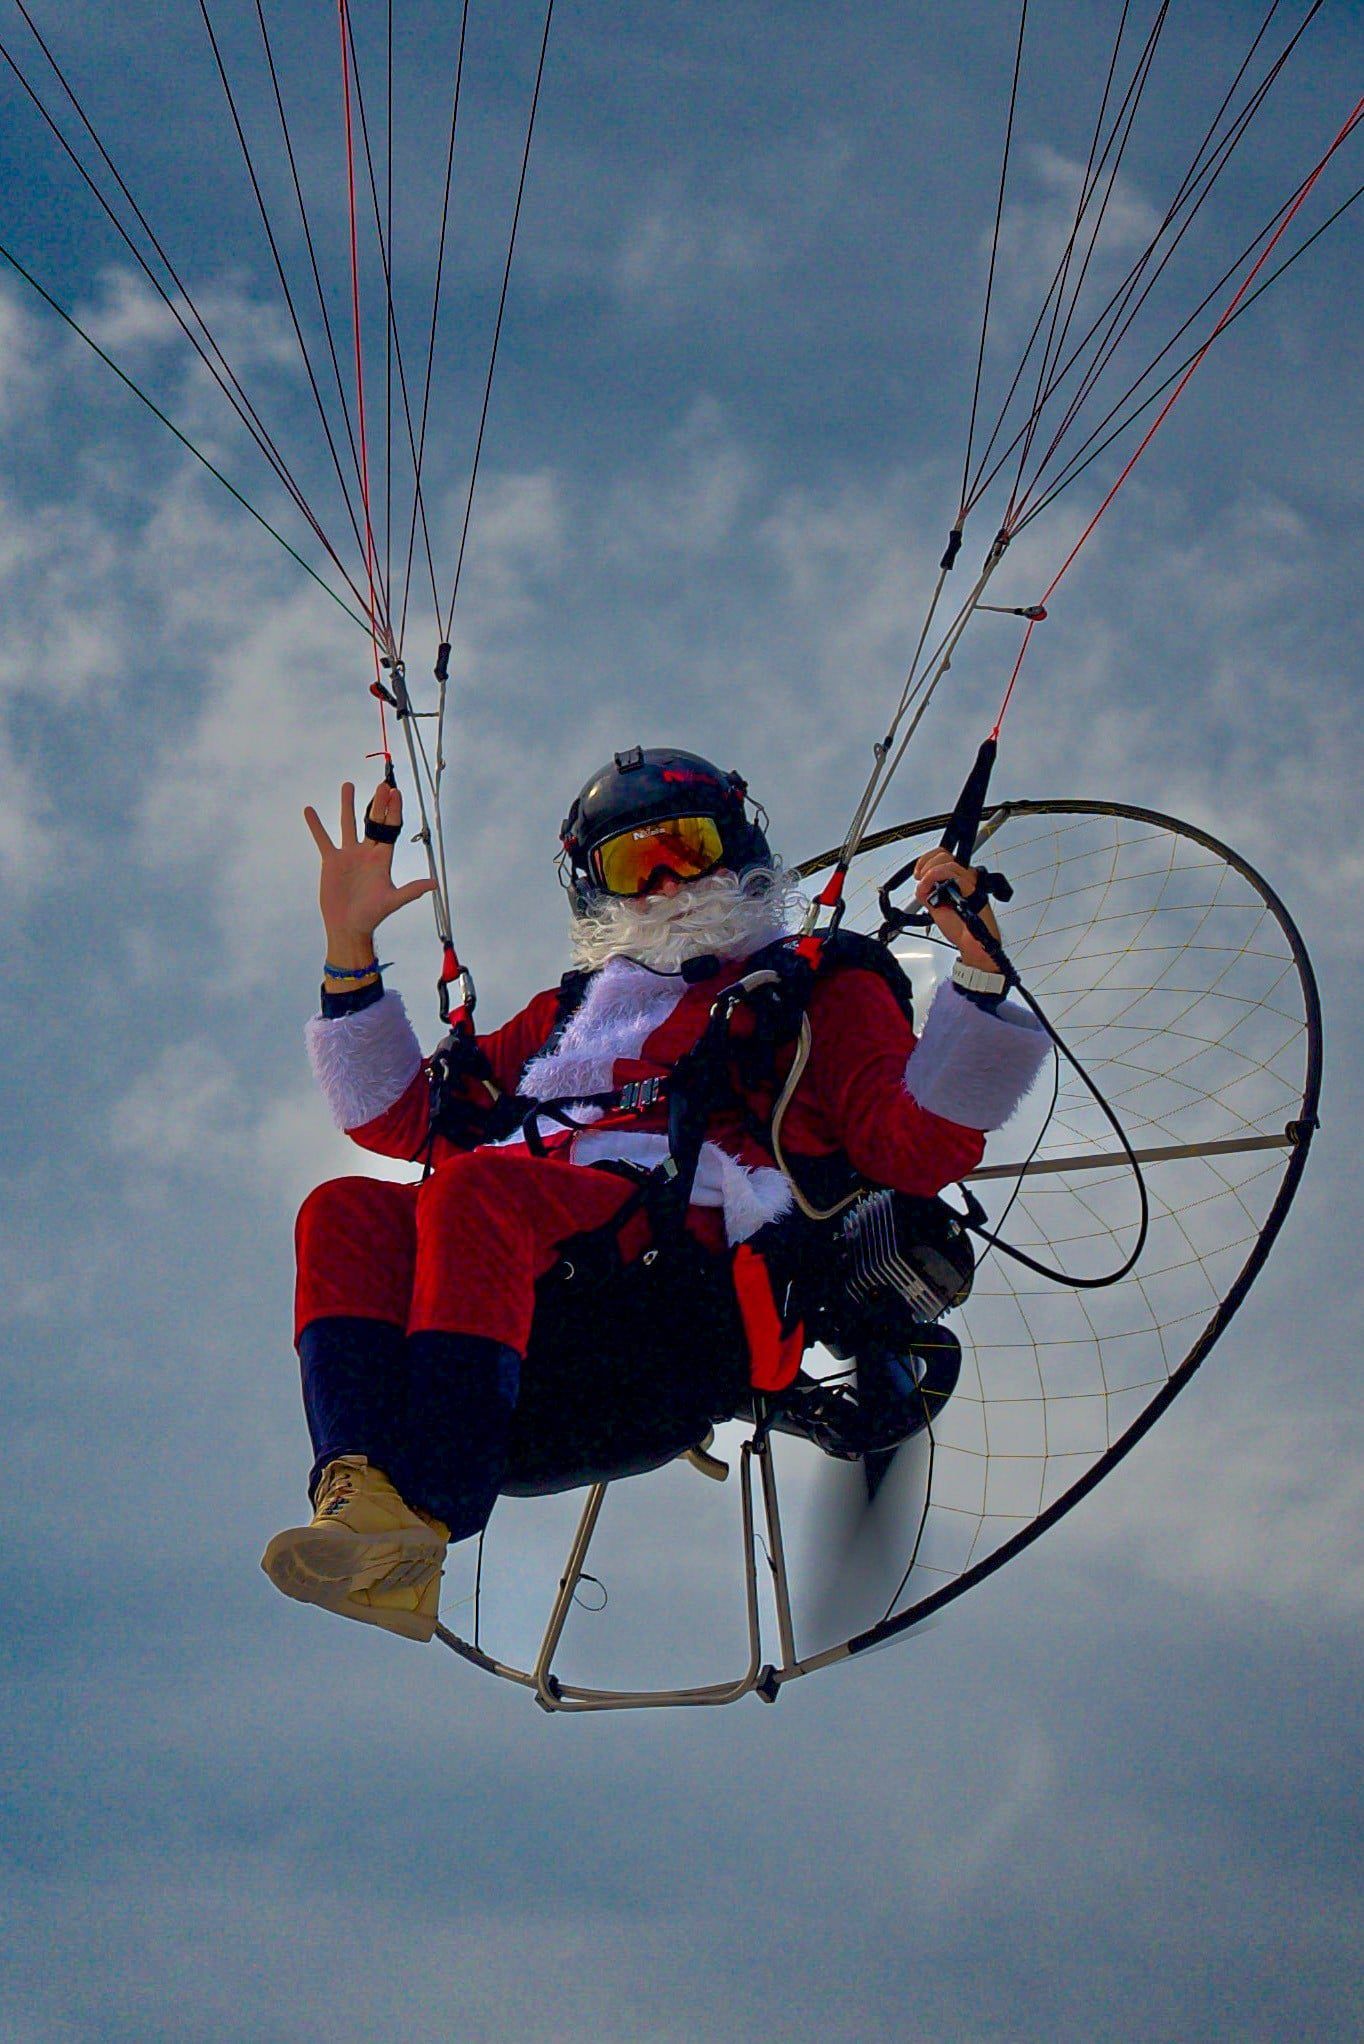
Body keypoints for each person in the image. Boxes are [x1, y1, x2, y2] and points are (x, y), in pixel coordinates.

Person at [261, 746, 1049, 1642]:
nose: (668, 883)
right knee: (344, 1210)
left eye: (688, 847)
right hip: (535, 1292)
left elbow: (912, 1145)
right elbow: (401, 1121)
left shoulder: (816, 981)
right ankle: (361, 1500)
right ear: (597, 891)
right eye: (635, 864)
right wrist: (349, 945)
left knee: (477, 1191)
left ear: (738, 847)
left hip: (678, 1277)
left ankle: (426, 1509)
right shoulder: (571, 1014)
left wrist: (980, 976)